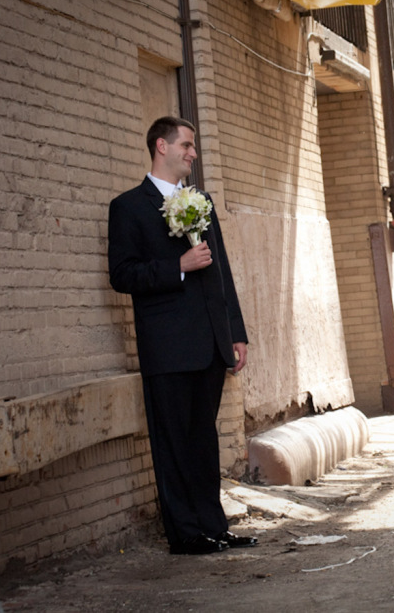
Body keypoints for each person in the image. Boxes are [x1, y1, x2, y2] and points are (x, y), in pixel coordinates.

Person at [108, 117, 258, 554]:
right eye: (187, 145)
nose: (193, 153)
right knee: (173, 443)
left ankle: (215, 525)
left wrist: (236, 333)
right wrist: (177, 267)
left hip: (210, 344)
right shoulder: (129, 207)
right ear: (162, 146)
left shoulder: (201, 201)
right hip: (168, 348)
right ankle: (186, 534)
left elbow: (222, 274)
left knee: (203, 441)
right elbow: (122, 274)